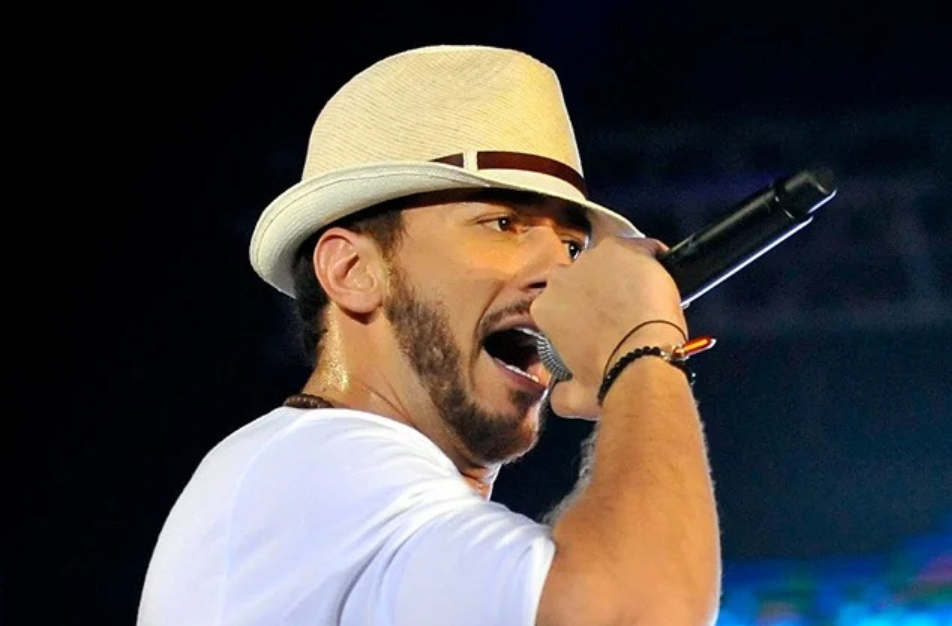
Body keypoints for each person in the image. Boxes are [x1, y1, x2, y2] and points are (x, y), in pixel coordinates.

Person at [137, 44, 721, 626]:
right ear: (352, 271)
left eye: (572, 246)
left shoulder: (362, 502)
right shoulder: (315, 468)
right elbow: (642, 612)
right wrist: (641, 352)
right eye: (503, 223)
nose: (563, 273)